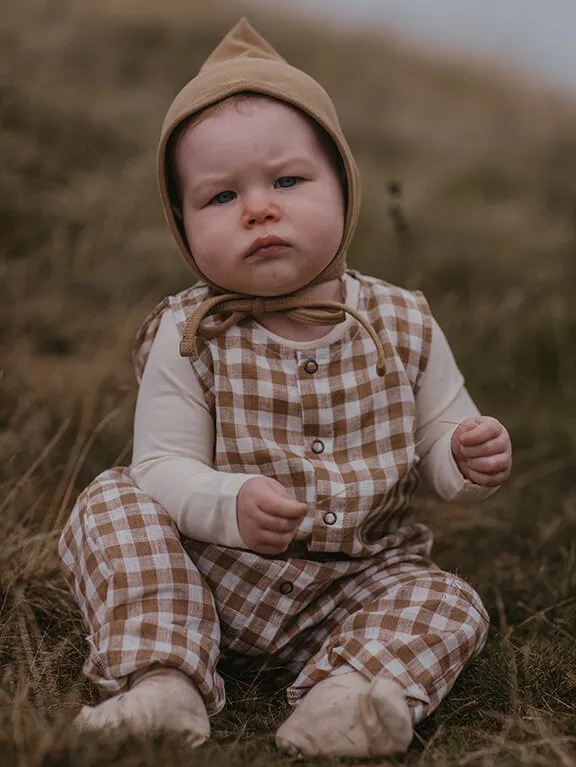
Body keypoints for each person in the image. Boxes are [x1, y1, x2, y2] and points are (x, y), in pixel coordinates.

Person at [59, 18, 512, 759]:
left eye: (288, 181)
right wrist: (227, 505)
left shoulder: (401, 321)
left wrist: (462, 458)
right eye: (219, 197)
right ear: (182, 224)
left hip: (355, 586)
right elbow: (161, 468)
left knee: (450, 599)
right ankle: (164, 677)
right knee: (111, 501)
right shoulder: (190, 333)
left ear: (345, 186)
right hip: (207, 580)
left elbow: (436, 440)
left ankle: (347, 697)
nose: (259, 208)